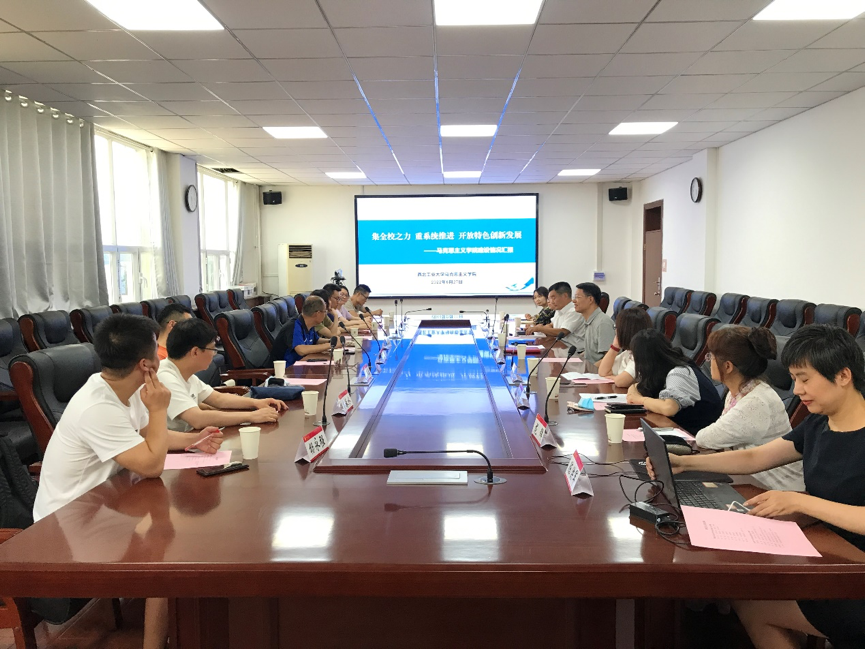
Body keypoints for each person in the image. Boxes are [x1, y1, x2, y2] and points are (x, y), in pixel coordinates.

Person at [648, 325, 865, 649]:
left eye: (805, 379)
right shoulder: (820, 422)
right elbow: (756, 457)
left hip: (853, 575)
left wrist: (801, 502)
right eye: (794, 379)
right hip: (825, 559)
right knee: (750, 590)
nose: (797, 389)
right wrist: (686, 463)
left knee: (753, 604)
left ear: (843, 375)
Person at [33, 314, 223, 649]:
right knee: (168, 557)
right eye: (156, 349)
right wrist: (160, 409)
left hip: (106, 502)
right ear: (146, 364)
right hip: (68, 524)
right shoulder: (97, 407)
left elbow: (147, 436)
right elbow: (151, 465)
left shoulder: (125, 387)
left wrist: (194, 439)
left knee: (187, 533)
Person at [695, 326, 804, 491]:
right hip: (751, 479)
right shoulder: (740, 391)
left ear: (728, 366)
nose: (708, 361)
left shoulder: (755, 403)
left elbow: (704, 439)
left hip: (778, 489)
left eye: (711, 356)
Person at [157, 318, 288, 431]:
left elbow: (218, 399)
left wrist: (256, 403)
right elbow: (198, 419)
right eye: (213, 349)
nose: (214, 354)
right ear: (195, 352)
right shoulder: (165, 377)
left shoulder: (186, 374)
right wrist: (251, 416)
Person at [627, 328, 722, 434]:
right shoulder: (662, 370)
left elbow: (669, 408)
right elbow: (636, 388)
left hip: (700, 436)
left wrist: (640, 400)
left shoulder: (678, 372)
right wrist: (636, 393)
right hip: (687, 430)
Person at [271, 295, 340, 367]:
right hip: (286, 369)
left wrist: (331, 341)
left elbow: (316, 340)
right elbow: (301, 350)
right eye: (324, 312)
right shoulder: (294, 326)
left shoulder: (310, 324)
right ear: (318, 313)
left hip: (301, 365)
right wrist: (330, 345)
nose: (325, 315)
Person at [597, 307, 652, 388]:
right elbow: (603, 372)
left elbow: (621, 382)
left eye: (617, 328)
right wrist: (615, 347)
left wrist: (615, 378)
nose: (615, 331)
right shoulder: (628, 352)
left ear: (626, 331)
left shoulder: (642, 355)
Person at [525, 281, 585, 351]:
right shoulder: (559, 309)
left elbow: (563, 332)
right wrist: (538, 328)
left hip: (573, 350)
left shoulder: (574, 311)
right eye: (550, 298)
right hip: (560, 346)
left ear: (565, 296)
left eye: (553, 298)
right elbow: (551, 324)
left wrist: (540, 329)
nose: (551, 301)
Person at [572, 282, 614, 365]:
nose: (573, 301)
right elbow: (591, 353)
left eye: (578, 297)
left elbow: (611, 357)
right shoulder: (588, 320)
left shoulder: (603, 323)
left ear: (590, 299)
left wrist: (589, 369)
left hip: (597, 370)